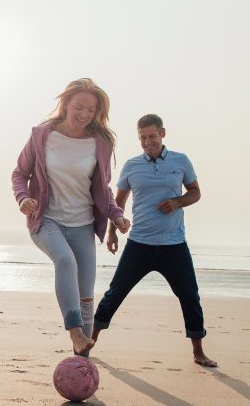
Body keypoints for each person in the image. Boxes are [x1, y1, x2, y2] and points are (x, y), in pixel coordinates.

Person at [11, 78, 130, 357]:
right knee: (64, 261)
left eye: (92, 110)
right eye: (79, 107)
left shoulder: (100, 143)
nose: (85, 114)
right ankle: (75, 332)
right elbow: (19, 173)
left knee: (86, 295)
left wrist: (117, 216)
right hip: (46, 220)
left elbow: (103, 189)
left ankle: (83, 358)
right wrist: (23, 198)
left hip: (83, 225)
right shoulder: (42, 135)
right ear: (65, 104)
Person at [92, 113, 217, 367]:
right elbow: (118, 203)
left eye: (151, 136)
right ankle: (88, 342)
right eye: (142, 137)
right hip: (139, 244)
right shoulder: (131, 165)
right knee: (115, 294)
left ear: (162, 133)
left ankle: (198, 352)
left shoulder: (181, 161)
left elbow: (196, 193)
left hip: (174, 246)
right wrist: (112, 231)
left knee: (190, 297)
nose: (147, 141)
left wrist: (178, 202)